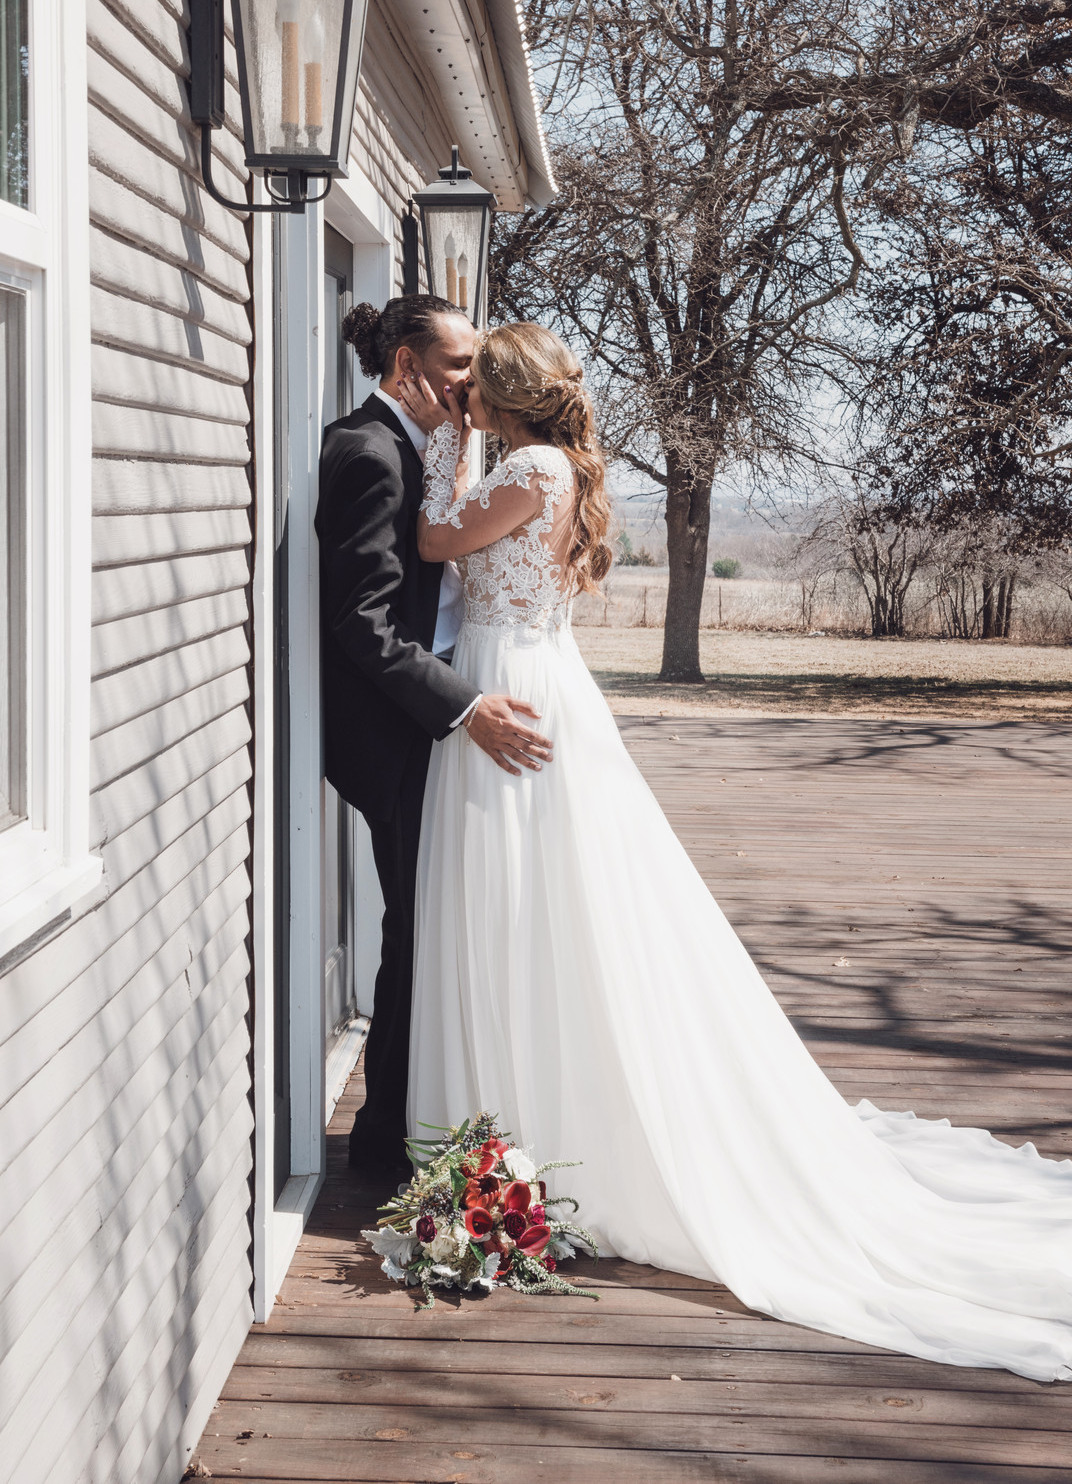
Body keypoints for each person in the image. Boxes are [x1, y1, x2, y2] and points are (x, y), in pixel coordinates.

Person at [398, 320, 1072, 1382]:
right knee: (527, 902)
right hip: (517, 676)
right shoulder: (544, 459)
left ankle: (533, 1124)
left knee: (535, 897)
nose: (462, 391)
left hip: (513, 687)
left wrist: (440, 443)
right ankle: (509, 1120)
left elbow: (438, 542)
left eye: (476, 381)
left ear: (508, 395)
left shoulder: (525, 464)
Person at [314, 295, 553, 1175]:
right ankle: (385, 1146)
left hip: (447, 724)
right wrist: (464, 707)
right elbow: (363, 622)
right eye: (459, 365)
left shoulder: (428, 445)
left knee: (453, 926)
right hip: (405, 733)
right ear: (407, 367)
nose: (473, 379)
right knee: (417, 933)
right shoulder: (368, 452)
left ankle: (436, 1116)